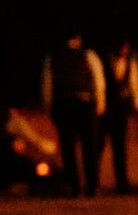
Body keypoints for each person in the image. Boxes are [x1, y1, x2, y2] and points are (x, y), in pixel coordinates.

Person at [40, 34, 105, 196]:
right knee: (89, 145)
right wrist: (100, 102)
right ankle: (92, 185)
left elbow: (47, 83)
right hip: (85, 103)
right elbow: (98, 80)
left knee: (68, 147)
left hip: (64, 104)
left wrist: (48, 106)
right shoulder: (88, 54)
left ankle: (73, 185)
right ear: (78, 39)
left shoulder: (53, 57)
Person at [102, 41, 138, 193]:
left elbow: (134, 84)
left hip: (122, 109)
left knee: (120, 147)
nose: (124, 51)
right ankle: (93, 182)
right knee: (98, 144)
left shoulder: (130, 63)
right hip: (105, 108)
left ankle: (122, 183)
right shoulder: (105, 60)